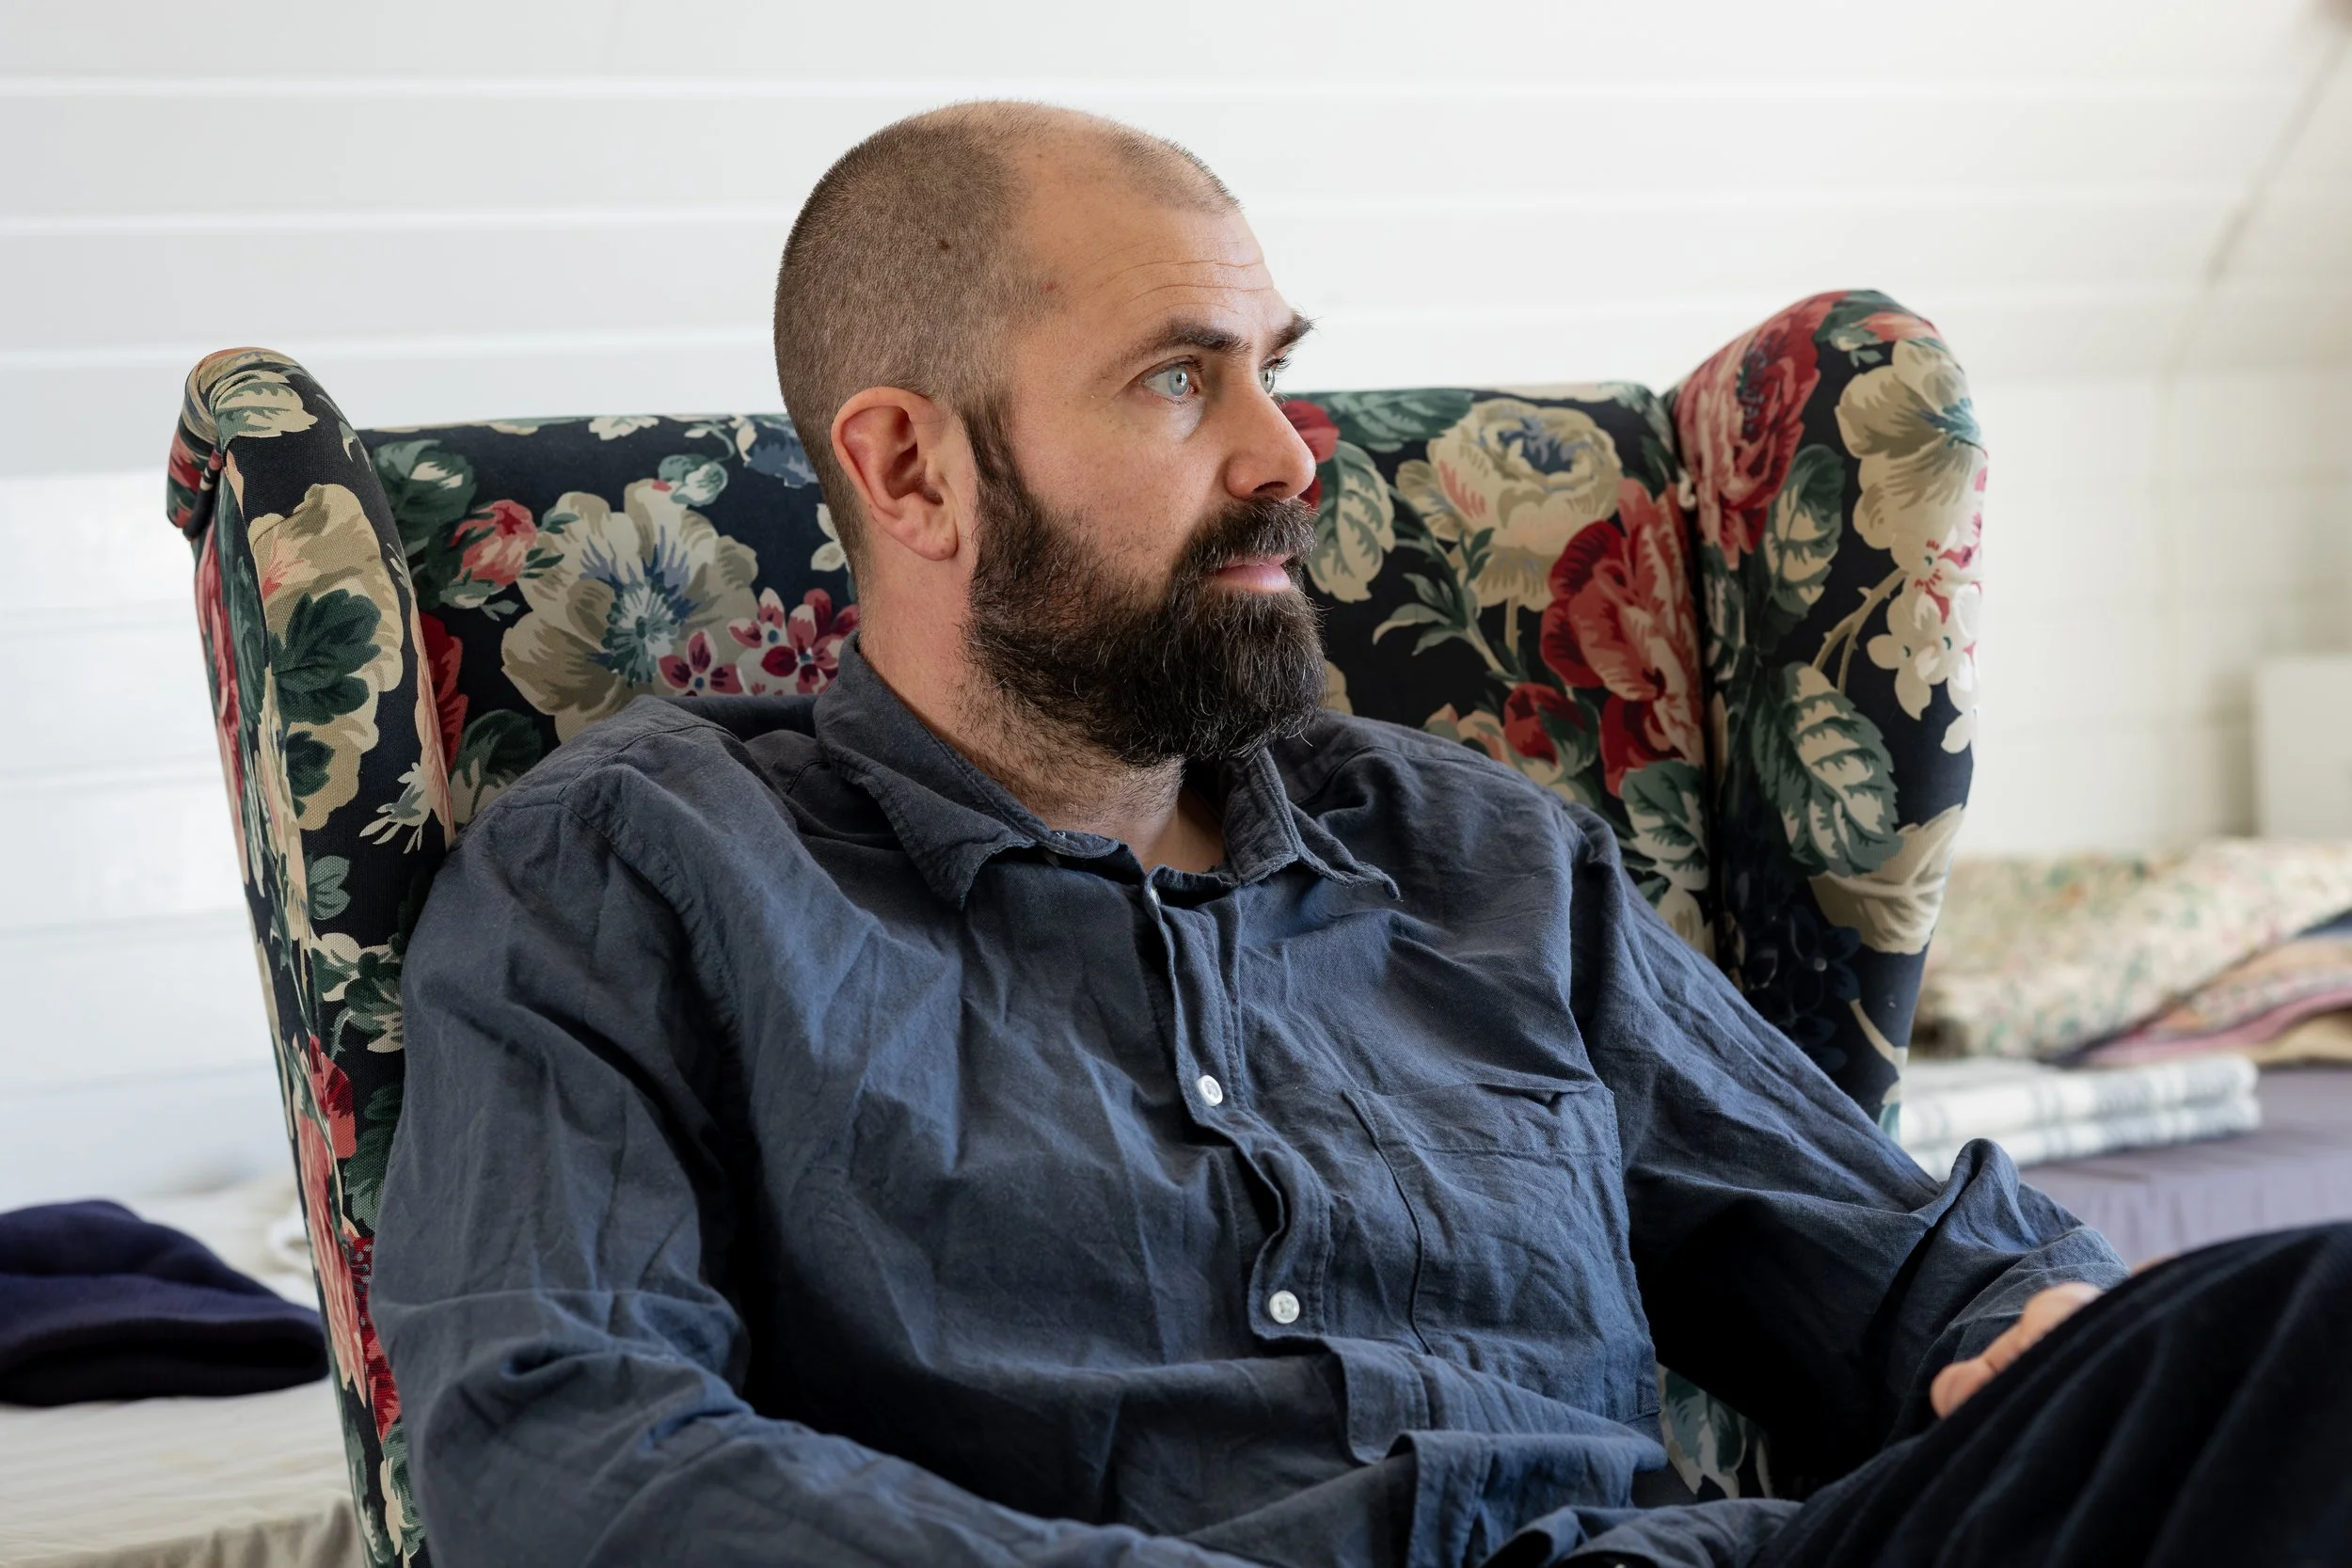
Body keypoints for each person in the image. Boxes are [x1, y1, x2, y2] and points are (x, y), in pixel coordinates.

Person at [372, 103, 2351, 1568]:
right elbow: (563, 1447)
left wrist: (2037, 1334)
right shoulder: (644, 867)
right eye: (1178, 378)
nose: (1286, 455)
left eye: (1276, 369)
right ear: (912, 468)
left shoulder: (1467, 852)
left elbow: (1903, 1261)